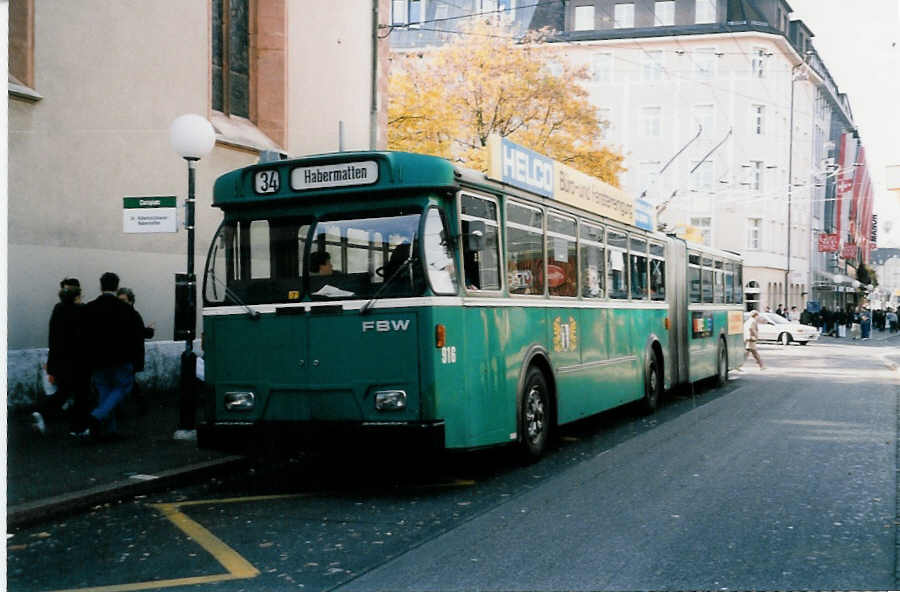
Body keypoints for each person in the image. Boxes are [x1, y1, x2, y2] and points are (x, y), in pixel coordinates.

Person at [73, 272, 144, 440]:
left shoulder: (89, 307)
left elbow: (82, 335)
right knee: (122, 387)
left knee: (104, 390)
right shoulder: (126, 309)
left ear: (100, 286)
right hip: (120, 357)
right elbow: (134, 335)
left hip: (97, 359)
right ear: (117, 286)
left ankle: (110, 430)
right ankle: (97, 416)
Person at [31, 278, 91, 434]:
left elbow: (53, 338)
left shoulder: (57, 309)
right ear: (77, 296)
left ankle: (42, 412)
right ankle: (78, 428)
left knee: (64, 392)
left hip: (60, 360)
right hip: (78, 360)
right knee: (81, 394)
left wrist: (52, 364)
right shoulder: (81, 311)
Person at [117, 287, 153, 414]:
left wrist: (148, 331)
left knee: (128, 382)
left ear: (131, 301)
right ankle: (139, 405)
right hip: (126, 355)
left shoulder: (132, 315)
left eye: (124, 300)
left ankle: (134, 406)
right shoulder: (131, 314)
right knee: (128, 382)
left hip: (129, 355)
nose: (121, 303)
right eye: (119, 300)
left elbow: (139, 332)